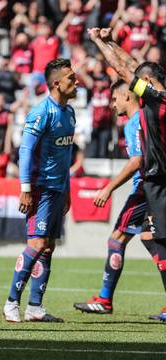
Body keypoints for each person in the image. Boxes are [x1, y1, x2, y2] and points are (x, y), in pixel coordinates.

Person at [89, 27, 166, 322]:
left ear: (145, 83)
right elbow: (130, 67)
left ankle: (105, 299)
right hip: (156, 181)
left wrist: (97, 41)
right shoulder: (155, 97)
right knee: (153, 239)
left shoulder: (157, 100)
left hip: (155, 181)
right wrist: (111, 41)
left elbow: (123, 70)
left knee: (127, 237)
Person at [3, 58, 77, 323]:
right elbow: (24, 150)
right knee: (35, 244)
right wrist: (25, 188)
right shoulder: (41, 112)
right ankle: (11, 302)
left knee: (48, 248)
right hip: (40, 188)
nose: (76, 81)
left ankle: (35, 307)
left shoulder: (69, 113)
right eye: (71, 78)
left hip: (58, 189)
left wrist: (67, 189)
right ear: (56, 83)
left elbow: (66, 156)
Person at [73, 80, 145, 314]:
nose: (112, 105)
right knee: (154, 242)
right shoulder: (149, 119)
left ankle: (104, 300)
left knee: (116, 240)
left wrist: (108, 188)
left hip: (144, 189)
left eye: (115, 99)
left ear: (127, 97)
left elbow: (137, 162)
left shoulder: (135, 123)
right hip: (155, 188)